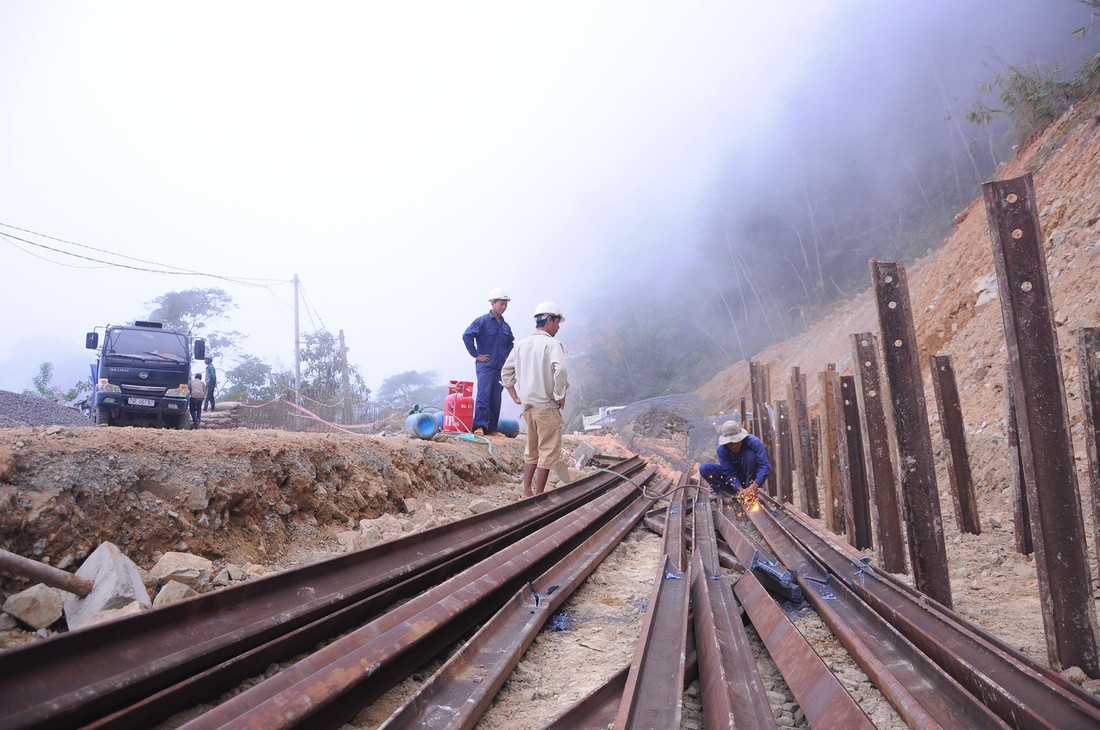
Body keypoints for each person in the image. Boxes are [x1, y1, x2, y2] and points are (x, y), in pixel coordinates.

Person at [501, 301, 569, 498]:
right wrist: (559, 394)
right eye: (557, 322)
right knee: (547, 450)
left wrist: (515, 396)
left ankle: (526, 492)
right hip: (546, 407)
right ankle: (539, 493)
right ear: (549, 320)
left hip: (528, 407)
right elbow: (561, 369)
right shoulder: (552, 344)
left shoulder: (521, 345)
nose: (558, 327)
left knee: (531, 449)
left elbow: (506, 373)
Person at [462, 287, 515, 436]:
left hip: (499, 367)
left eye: (505, 304)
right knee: (484, 395)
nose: (503, 307)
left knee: (496, 397)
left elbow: (510, 343)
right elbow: (467, 335)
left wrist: (505, 358)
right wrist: (476, 354)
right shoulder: (482, 321)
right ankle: (479, 426)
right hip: (485, 366)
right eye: (501, 304)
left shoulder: (505, 326)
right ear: (492, 303)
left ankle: (492, 428)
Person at [699, 420, 770, 498]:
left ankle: (750, 492)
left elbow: (764, 466)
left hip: (750, 478)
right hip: (733, 481)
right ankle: (728, 493)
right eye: (730, 444)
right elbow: (729, 472)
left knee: (749, 456)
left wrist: (754, 486)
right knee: (705, 468)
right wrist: (739, 488)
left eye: (736, 442)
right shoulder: (722, 449)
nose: (734, 446)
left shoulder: (754, 442)